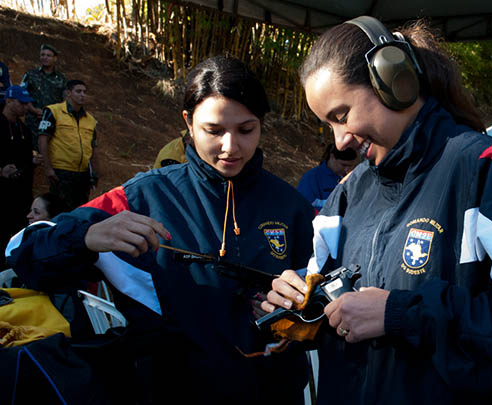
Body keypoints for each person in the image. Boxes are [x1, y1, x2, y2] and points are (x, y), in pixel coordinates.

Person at [263, 16, 492, 404]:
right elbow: (318, 294)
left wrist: (400, 314)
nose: (340, 140)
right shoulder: (348, 195)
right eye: (328, 125)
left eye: (341, 115)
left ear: (393, 80)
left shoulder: (485, 169)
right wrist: (294, 304)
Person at [6, 56, 314, 403]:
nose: (231, 147)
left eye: (246, 130)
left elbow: (327, 309)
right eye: (214, 130)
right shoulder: (141, 198)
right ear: (188, 123)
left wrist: (300, 311)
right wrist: (86, 237)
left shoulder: (291, 208)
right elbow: (23, 253)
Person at [38, 79, 99, 211]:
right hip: (61, 172)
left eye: (84, 92)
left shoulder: (90, 120)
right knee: (58, 210)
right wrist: (48, 168)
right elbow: (43, 139)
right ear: (68, 93)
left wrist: (94, 172)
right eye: (78, 91)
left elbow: (93, 147)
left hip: (82, 174)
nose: (82, 95)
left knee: (79, 211)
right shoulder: (53, 111)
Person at [0, 86, 37, 268]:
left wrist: (32, 161)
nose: (26, 107)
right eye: (21, 103)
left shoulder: (24, 129)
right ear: (8, 101)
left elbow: (26, 159)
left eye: (27, 103)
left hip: (20, 196)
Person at [21, 44, 67, 149]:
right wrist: (34, 110)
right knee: (30, 150)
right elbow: (22, 94)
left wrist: (52, 114)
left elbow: (65, 99)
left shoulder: (61, 78)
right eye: (42, 55)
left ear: (55, 58)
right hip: (33, 121)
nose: (45, 57)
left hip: (52, 121)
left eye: (48, 55)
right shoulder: (31, 74)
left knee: (50, 150)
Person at [297, 143, 357, 212]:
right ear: (332, 157)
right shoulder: (312, 178)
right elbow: (302, 210)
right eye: (343, 165)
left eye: (349, 166)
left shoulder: (349, 180)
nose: (346, 169)